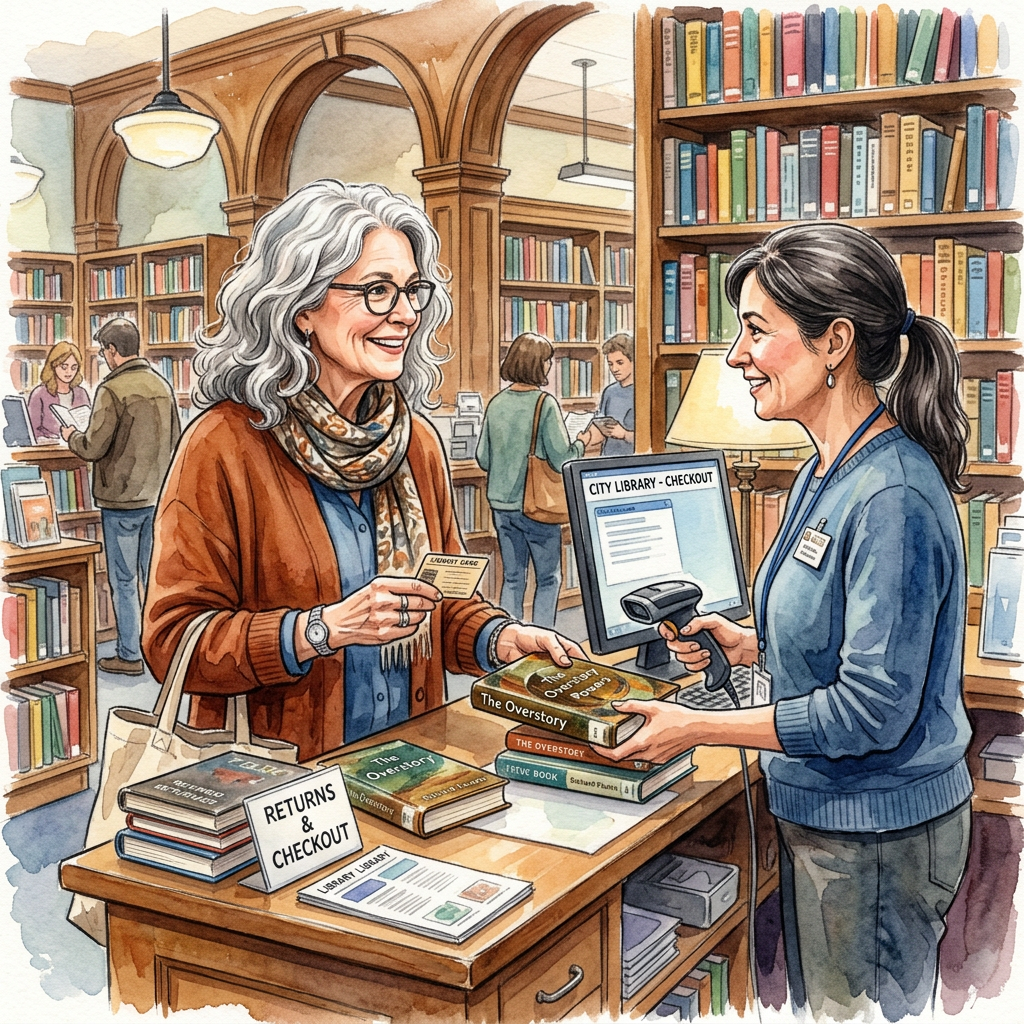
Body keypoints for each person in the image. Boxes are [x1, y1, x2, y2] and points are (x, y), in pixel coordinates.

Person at [604, 222, 972, 1022]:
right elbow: (837, 639)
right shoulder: (823, 468)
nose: (736, 356)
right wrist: (749, 643)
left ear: (834, 341)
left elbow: (871, 710)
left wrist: (697, 728)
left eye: (755, 330)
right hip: (830, 829)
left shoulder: (893, 495)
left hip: (878, 844)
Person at [141, 180, 583, 762]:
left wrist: (498, 637)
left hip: (412, 761)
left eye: (411, 291)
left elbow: (441, 604)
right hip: (283, 785)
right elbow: (174, 642)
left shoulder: (416, 443)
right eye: (377, 292)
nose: (405, 315)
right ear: (301, 307)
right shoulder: (224, 444)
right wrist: (321, 629)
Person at [61, 319, 180, 676]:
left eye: (104, 352)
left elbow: (93, 446)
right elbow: (177, 440)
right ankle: (164, 653)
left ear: (113, 351)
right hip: (159, 497)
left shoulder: (112, 389)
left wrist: (71, 435)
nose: (104, 358)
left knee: (125, 581)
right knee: (156, 579)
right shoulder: (161, 385)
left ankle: (129, 654)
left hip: (122, 501)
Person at [476, 332, 585, 628]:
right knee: (549, 578)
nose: (550, 366)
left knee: (513, 577)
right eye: (548, 361)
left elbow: (483, 459)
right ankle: (542, 639)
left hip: (501, 507)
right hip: (535, 506)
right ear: (538, 364)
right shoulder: (545, 404)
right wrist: (584, 442)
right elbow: (562, 458)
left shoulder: (496, 403)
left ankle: (509, 640)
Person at [579, 332, 634, 456]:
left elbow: (652, 439)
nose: (614, 369)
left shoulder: (643, 393)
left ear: (633, 361)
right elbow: (600, 429)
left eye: (620, 363)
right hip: (607, 459)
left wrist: (625, 434)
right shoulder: (609, 392)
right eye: (610, 364)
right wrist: (584, 439)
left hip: (632, 462)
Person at [27, 341, 90, 440]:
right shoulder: (39, 393)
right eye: (64, 367)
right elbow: (32, 430)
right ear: (53, 365)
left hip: (79, 447)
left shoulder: (81, 393)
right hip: (51, 449)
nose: (69, 372)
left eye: (74, 368)